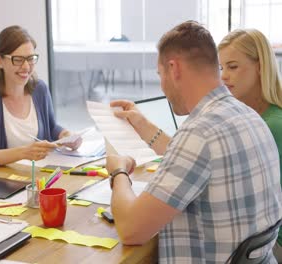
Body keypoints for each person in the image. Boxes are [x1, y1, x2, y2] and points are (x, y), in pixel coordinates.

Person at [106, 21, 282, 262]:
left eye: (160, 75)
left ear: (174, 69)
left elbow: (130, 229)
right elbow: (201, 159)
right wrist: (144, 126)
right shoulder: (249, 115)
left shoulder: (199, 132)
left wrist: (118, 173)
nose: (162, 85)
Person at [0, 25, 81, 165]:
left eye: (30, 58)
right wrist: (24, 153)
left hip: (41, 175)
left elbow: (52, 127)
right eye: (18, 59)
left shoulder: (40, 89)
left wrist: (66, 135)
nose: (26, 67)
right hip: (6, 180)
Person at [218, 28, 282, 261]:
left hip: (274, 244)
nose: (224, 76)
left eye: (232, 67)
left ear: (260, 67)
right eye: (221, 68)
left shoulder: (271, 125)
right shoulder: (255, 116)